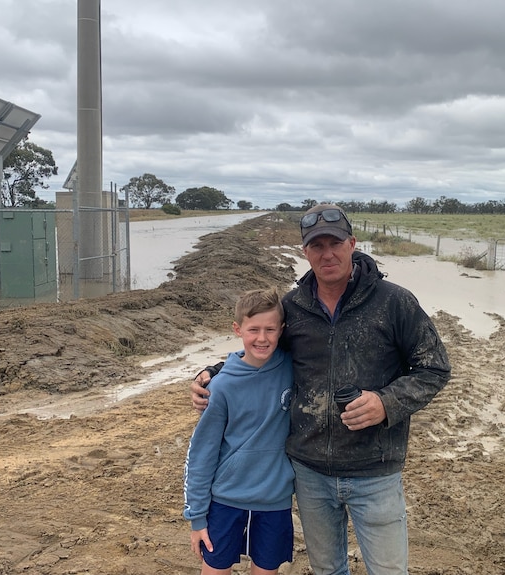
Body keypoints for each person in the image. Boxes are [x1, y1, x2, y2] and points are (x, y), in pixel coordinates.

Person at [192, 204, 452, 575]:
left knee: (389, 571)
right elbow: (260, 351)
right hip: (309, 472)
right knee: (328, 570)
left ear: (353, 244)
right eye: (317, 246)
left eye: (335, 243)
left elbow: (434, 367)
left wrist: (386, 402)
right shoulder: (292, 308)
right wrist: (213, 372)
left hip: (374, 470)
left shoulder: (394, 302)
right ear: (305, 252)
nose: (327, 253)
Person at [183, 287, 295, 575]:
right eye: (253, 329)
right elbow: (201, 454)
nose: (262, 337)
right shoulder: (221, 386)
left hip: (274, 501)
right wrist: (196, 519)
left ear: (281, 330)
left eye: (270, 329)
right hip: (226, 501)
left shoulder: (294, 370)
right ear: (237, 329)